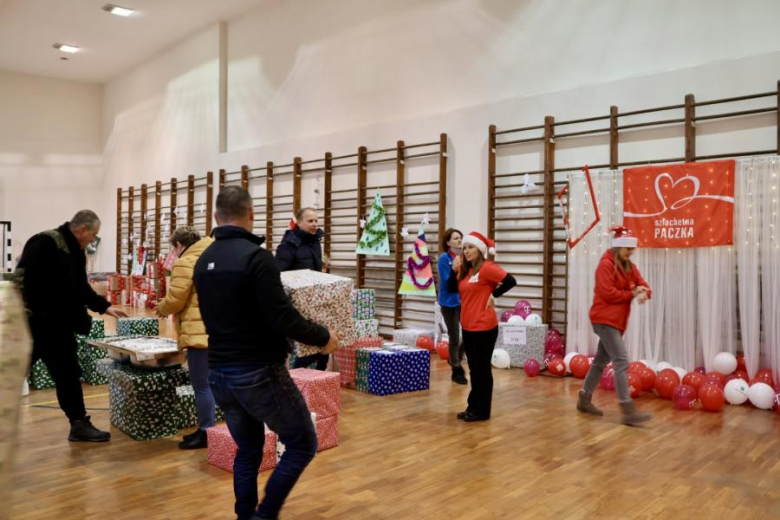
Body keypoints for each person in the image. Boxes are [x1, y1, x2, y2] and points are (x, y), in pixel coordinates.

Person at [193, 187, 340, 520]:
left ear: (216, 217)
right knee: (303, 443)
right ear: (252, 214)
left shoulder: (203, 261)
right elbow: (281, 316)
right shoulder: (256, 257)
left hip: (219, 373)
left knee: (248, 450)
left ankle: (245, 516)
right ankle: (264, 515)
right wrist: (323, 337)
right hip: (257, 370)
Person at [12, 210, 127, 442]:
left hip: (58, 327)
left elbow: (81, 287)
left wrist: (104, 307)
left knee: (68, 375)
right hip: (34, 326)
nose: (93, 240)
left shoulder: (76, 252)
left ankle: (78, 424)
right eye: (93, 235)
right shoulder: (45, 242)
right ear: (82, 230)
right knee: (12, 375)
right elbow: (23, 282)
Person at [577, 226, 652, 426]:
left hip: (617, 322)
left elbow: (642, 283)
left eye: (632, 250)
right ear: (618, 247)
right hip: (603, 319)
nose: (631, 253)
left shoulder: (629, 266)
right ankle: (627, 410)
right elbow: (608, 292)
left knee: (600, 361)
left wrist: (644, 291)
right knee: (621, 361)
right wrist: (632, 293)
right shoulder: (606, 265)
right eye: (628, 250)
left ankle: (584, 399)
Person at [156, 226, 215, 450]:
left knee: (201, 385)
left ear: (179, 246)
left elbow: (176, 299)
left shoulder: (186, 261)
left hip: (197, 331)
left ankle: (206, 431)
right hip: (219, 330)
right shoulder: (213, 253)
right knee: (216, 382)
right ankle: (215, 429)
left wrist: (162, 307)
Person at [447, 232, 516, 422]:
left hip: (484, 327)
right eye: (464, 248)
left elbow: (511, 281)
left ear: (479, 249)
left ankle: (482, 411)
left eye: (470, 247)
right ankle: (473, 406)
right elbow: (452, 288)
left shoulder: (487, 268)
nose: (466, 251)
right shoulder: (466, 270)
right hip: (468, 326)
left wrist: (494, 294)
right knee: (474, 370)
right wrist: (454, 271)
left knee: (482, 370)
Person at [437, 228, 467, 385]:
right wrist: (454, 268)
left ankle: (454, 359)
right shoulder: (444, 258)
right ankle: (456, 368)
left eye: (461, 237)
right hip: (449, 303)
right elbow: (449, 284)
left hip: (464, 301)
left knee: (468, 335)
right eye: (456, 238)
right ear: (448, 242)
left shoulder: (464, 256)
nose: (460, 240)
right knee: (455, 336)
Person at [275, 207, 324, 272]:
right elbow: (279, 271)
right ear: (299, 223)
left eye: (316, 221)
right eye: (310, 221)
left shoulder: (315, 240)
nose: (314, 224)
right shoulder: (289, 244)